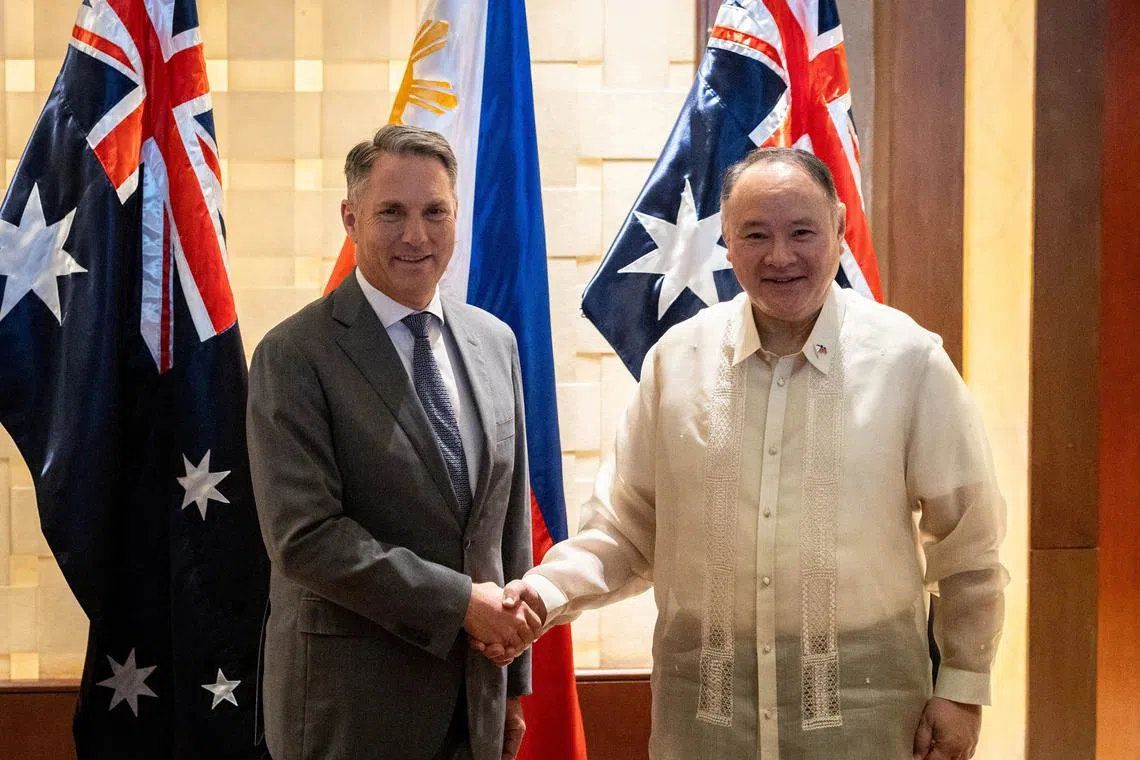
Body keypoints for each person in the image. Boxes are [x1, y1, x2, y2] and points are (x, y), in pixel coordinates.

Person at [497, 148, 1008, 759]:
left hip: (864, 724)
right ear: (728, 246)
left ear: (841, 230)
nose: (781, 256)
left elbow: (969, 546)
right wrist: (542, 594)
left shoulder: (909, 362)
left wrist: (962, 689)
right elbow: (626, 534)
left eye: (802, 232)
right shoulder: (675, 362)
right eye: (756, 235)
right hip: (706, 726)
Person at [247, 124, 541, 760]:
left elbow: (506, 522)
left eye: (435, 211)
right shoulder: (295, 355)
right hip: (352, 710)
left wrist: (512, 684)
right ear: (350, 218)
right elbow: (304, 537)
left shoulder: (495, 343)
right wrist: (460, 602)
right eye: (391, 213)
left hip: (476, 702)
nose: (416, 235)